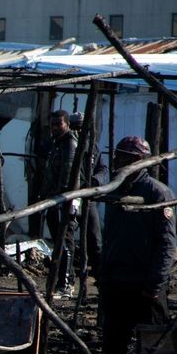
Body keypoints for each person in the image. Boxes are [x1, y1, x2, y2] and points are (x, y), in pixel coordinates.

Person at [80, 136, 177, 354]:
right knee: (113, 348)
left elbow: (165, 245)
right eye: (117, 157)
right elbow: (109, 237)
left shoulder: (157, 193)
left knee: (156, 346)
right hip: (117, 284)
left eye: (124, 158)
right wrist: (103, 273)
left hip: (145, 286)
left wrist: (155, 285)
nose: (117, 163)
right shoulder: (115, 191)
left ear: (138, 161)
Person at [39, 109, 79, 292]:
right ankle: (62, 281)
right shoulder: (56, 143)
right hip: (53, 200)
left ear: (67, 124)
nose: (54, 128)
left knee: (65, 242)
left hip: (63, 201)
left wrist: (62, 199)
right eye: (52, 125)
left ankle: (67, 283)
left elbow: (68, 175)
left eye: (58, 124)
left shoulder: (69, 143)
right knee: (59, 242)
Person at [69, 111, 107, 280]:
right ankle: (67, 276)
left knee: (94, 238)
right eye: (75, 127)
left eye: (81, 127)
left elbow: (101, 169)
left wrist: (95, 181)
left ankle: (99, 276)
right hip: (69, 197)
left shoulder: (94, 146)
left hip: (88, 198)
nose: (78, 131)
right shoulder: (66, 145)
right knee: (66, 238)